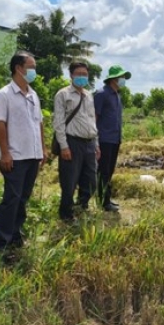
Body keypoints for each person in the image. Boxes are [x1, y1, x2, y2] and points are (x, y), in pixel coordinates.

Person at [0, 51, 46, 263]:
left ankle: (15, 234)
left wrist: (42, 149)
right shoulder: (4, 95)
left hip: (32, 154)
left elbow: (38, 123)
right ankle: (1, 242)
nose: (34, 71)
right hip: (15, 155)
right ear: (18, 68)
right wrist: (4, 153)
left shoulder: (33, 95)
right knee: (11, 199)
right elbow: (0, 124)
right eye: (31, 67)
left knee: (23, 198)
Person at [53, 62, 100, 222]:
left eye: (85, 74)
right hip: (72, 142)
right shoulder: (63, 94)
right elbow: (58, 123)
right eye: (78, 74)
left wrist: (96, 144)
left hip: (89, 142)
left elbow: (92, 120)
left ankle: (81, 205)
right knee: (69, 181)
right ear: (71, 75)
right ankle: (66, 213)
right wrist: (64, 146)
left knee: (91, 180)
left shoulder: (88, 95)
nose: (82, 77)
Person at [94, 64, 131, 212]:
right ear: (113, 79)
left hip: (115, 139)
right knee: (103, 171)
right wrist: (95, 141)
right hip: (104, 139)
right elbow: (94, 118)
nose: (123, 80)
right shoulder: (101, 94)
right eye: (121, 77)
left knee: (109, 171)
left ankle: (106, 199)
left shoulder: (117, 95)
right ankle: (103, 201)